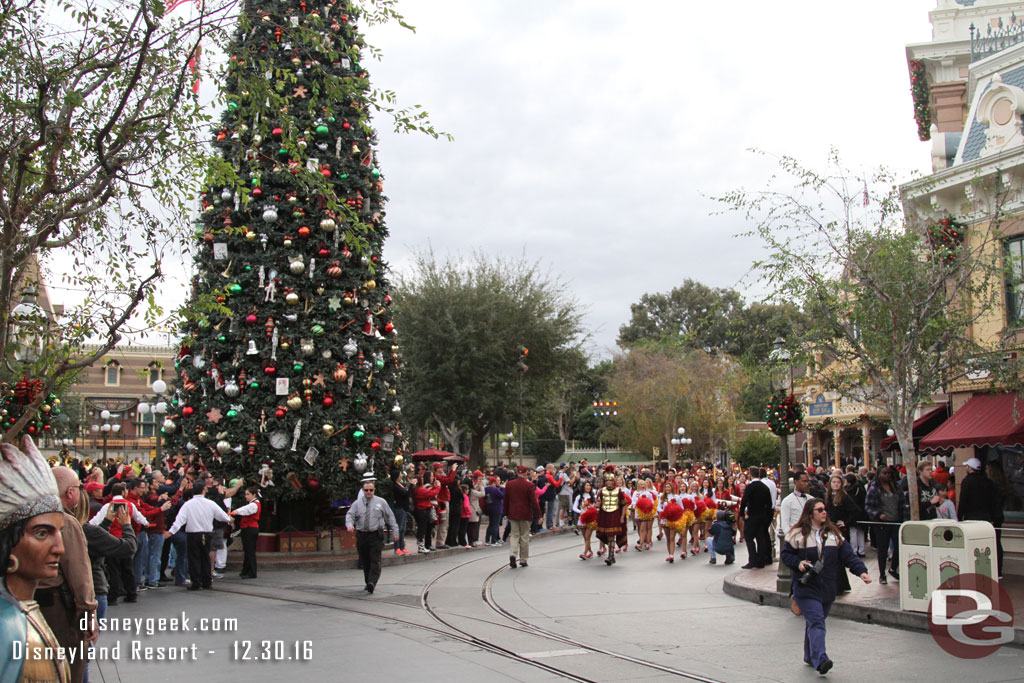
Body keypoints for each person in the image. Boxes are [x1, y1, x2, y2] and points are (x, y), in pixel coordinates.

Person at [0, 435, 72, 683]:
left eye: (59, 532)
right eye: (42, 533)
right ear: (7, 543)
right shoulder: (5, 626)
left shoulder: (19, 612)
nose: (59, 548)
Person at [781, 497, 871, 675]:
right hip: (805, 587)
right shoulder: (797, 534)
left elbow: (848, 556)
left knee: (814, 622)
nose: (824, 512)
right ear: (810, 513)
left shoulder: (833, 534)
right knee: (817, 621)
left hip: (827, 587)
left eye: (824, 509)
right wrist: (798, 563)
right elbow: (786, 555)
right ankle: (821, 659)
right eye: (819, 510)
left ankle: (809, 655)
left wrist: (861, 571)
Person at [33, 466, 97, 683]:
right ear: (70, 492)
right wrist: (88, 613)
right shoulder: (65, 522)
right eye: (79, 487)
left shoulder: (29, 515)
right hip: (58, 608)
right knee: (68, 669)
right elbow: (79, 573)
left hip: (29, 605)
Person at [164, 482, 231, 590]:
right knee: (205, 557)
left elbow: (179, 520)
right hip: (206, 533)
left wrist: (171, 532)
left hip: (193, 534)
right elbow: (222, 515)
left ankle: (196, 582)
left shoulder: (188, 504)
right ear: (204, 490)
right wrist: (229, 519)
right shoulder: (210, 503)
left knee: (194, 558)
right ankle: (207, 581)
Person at [346, 475, 398, 594]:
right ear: (363, 491)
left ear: (374, 490)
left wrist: (395, 531)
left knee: (375, 559)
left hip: (375, 535)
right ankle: (368, 581)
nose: (368, 492)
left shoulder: (381, 502)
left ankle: (372, 582)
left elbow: (390, 517)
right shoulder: (357, 503)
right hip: (362, 535)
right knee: (365, 560)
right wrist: (349, 524)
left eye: (371, 490)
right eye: (366, 490)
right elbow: (350, 515)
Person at [864, 465, 904, 585]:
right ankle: (882, 574)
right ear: (879, 475)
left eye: (888, 473)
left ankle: (893, 568)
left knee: (898, 547)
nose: (887, 475)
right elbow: (868, 506)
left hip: (896, 521)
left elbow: (902, 503)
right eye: (884, 473)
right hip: (882, 523)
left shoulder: (896, 486)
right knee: (883, 549)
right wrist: (878, 514)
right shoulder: (874, 488)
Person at [503, 466, 540, 568]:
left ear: (517, 472)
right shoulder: (529, 485)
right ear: (526, 473)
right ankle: (523, 559)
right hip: (525, 514)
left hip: (513, 513)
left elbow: (506, 500)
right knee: (524, 536)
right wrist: (539, 514)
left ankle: (512, 554)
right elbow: (534, 501)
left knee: (514, 535)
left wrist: (506, 513)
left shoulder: (509, 484)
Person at [739, 467, 773, 568]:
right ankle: (761, 561)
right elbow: (769, 503)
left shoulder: (750, 487)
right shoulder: (764, 487)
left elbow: (744, 501)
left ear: (750, 474)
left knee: (749, 537)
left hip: (752, 516)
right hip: (762, 516)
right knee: (760, 538)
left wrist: (742, 513)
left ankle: (753, 559)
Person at [595, 467, 629, 566]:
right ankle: (611, 556)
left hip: (615, 514)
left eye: (610, 481)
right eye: (607, 481)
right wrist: (597, 504)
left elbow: (624, 504)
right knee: (606, 535)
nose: (609, 483)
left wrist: (622, 516)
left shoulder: (619, 491)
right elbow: (598, 502)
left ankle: (610, 556)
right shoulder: (601, 491)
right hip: (604, 514)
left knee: (611, 536)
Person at [228, 486, 262, 578]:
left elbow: (245, 510)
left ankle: (251, 572)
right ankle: (246, 570)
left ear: (254, 495)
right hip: (248, 528)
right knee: (247, 550)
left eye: (248, 494)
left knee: (250, 551)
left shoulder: (254, 504)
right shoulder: (252, 503)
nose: (246, 496)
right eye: (245, 494)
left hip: (250, 528)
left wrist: (235, 512)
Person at [411, 471, 440, 554]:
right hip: (422, 510)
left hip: (420, 510)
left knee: (422, 528)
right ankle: (421, 546)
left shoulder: (416, 489)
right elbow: (432, 493)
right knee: (422, 529)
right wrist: (438, 487)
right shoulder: (420, 490)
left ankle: (422, 545)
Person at [574, 480, 597, 559]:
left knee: (587, 537)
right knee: (585, 538)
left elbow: (596, 506)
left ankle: (584, 553)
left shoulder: (594, 496)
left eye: (589, 485)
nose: (588, 487)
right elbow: (574, 507)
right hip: (582, 519)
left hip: (591, 519)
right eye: (586, 485)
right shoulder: (579, 497)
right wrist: (580, 512)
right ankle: (590, 551)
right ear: (583, 487)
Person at [483, 476, 504, 546]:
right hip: (496, 508)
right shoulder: (495, 489)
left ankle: (487, 539)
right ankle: (494, 540)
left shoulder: (486, 489)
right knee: (495, 525)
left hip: (489, 508)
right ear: (494, 482)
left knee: (491, 524)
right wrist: (503, 489)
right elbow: (502, 495)